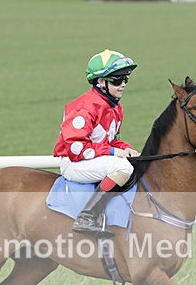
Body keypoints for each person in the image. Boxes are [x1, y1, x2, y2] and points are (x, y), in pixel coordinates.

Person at [53, 49, 140, 235]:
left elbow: (112, 141)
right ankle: (87, 217)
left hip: (91, 159)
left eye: (125, 79)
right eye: (117, 80)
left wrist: (127, 149)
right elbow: (76, 149)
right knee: (122, 168)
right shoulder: (85, 108)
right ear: (100, 82)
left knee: (135, 164)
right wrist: (113, 153)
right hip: (75, 162)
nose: (123, 84)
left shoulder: (115, 107)